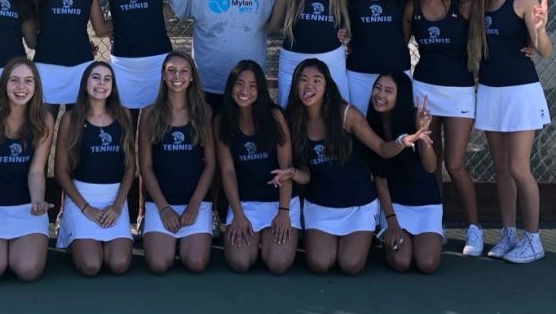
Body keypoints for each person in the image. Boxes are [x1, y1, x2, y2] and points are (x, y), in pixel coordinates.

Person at [273, 60, 432, 275]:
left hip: (358, 203)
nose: (309, 86)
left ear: (327, 86)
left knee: (351, 265)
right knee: (320, 264)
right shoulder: (292, 120)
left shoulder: (346, 114)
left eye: (316, 80)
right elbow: (308, 176)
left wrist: (403, 141)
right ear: (295, 85)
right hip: (320, 204)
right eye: (303, 80)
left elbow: (382, 148)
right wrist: (292, 173)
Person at [468, 0, 552, 264]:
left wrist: (540, 30)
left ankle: (533, 240)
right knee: (501, 168)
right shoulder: (479, 3)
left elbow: (543, 50)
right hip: (489, 92)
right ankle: (508, 233)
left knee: (519, 168)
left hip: (521, 93)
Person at [404, 0, 482, 256]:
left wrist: (531, 41)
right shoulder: (413, 5)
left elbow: (492, 34)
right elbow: (396, 44)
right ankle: (435, 225)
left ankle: (474, 229)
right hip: (424, 90)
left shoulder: (464, 3)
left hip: (461, 91)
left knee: (455, 163)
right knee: (430, 164)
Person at [168, 0, 277, 115]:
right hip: (207, 86)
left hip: (248, 90)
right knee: (208, 140)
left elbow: (284, 20)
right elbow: (170, 10)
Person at [0, 58, 53, 283]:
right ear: (4, 84)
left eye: (28, 81)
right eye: (14, 81)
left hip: (26, 208)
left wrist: (37, 201)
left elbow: (36, 170)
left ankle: (21, 241)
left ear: (36, 87)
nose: (21, 87)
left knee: (27, 270)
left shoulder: (45, 120)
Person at [215, 60, 298, 274]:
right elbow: (228, 171)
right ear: (231, 86)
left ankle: (269, 241)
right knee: (240, 263)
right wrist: (239, 214)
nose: (245, 91)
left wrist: (283, 211)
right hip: (245, 203)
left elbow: (286, 167)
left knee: (278, 264)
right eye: (239, 84)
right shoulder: (221, 121)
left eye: (253, 85)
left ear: (260, 90)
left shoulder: (275, 116)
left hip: (279, 200)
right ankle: (256, 241)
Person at [54, 61, 136, 276]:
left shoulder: (124, 116)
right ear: (85, 83)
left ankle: (101, 240)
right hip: (82, 198)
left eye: (107, 79)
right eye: (95, 77)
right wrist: (85, 208)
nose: (101, 83)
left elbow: (130, 167)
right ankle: (75, 232)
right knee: (91, 266)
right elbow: (61, 172)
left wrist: (118, 206)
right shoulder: (70, 119)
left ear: (113, 86)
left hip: (114, 199)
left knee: (118, 264)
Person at [138, 52, 216, 273]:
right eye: (171, 70)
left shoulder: (204, 112)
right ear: (163, 75)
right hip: (162, 202)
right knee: (158, 264)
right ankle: (165, 236)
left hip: (195, 201)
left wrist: (194, 206)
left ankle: (188, 240)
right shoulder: (149, 113)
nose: (177, 76)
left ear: (192, 77)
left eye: (184, 71)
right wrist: (163, 208)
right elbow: (145, 166)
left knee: (196, 263)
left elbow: (210, 164)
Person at [365, 72, 442, 274]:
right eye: (377, 88)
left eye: (388, 91)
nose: (380, 94)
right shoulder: (370, 125)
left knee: (427, 263)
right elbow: (379, 179)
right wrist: (392, 222)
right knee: (401, 262)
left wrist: (421, 134)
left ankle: (432, 235)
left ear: (402, 95)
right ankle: (390, 239)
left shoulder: (414, 118)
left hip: (426, 202)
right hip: (395, 206)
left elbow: (431, 167)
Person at [33, 0, 110, 118]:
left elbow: (100, 28)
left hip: (80, 67)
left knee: (75, 134)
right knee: (42, 132)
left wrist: (132, 20)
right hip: (46, 67)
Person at [269, 0, 350, 107]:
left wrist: (345, 31)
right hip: (293, 59)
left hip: (332, 58)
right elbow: (274, 23)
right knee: (287, 109)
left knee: (339, 110)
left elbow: (345, 21)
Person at [344, 0, 410, 110]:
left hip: (396, 72)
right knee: (360, 131)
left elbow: (407, 30)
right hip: (359, 74)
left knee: (396, 131)